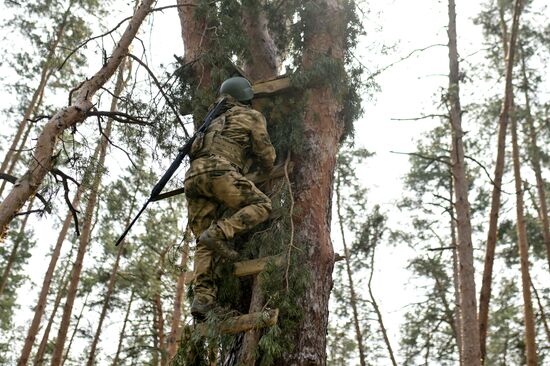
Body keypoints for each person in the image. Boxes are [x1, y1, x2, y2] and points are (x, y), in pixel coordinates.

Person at [184, 76, 276, 319]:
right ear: (246, 95)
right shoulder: (251, 115)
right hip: (219, 172)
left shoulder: (211, 120)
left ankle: (203, 299)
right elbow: (266, 155)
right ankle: (219, 232)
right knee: (262, 205)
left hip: (193, 178)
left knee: (202, 243)